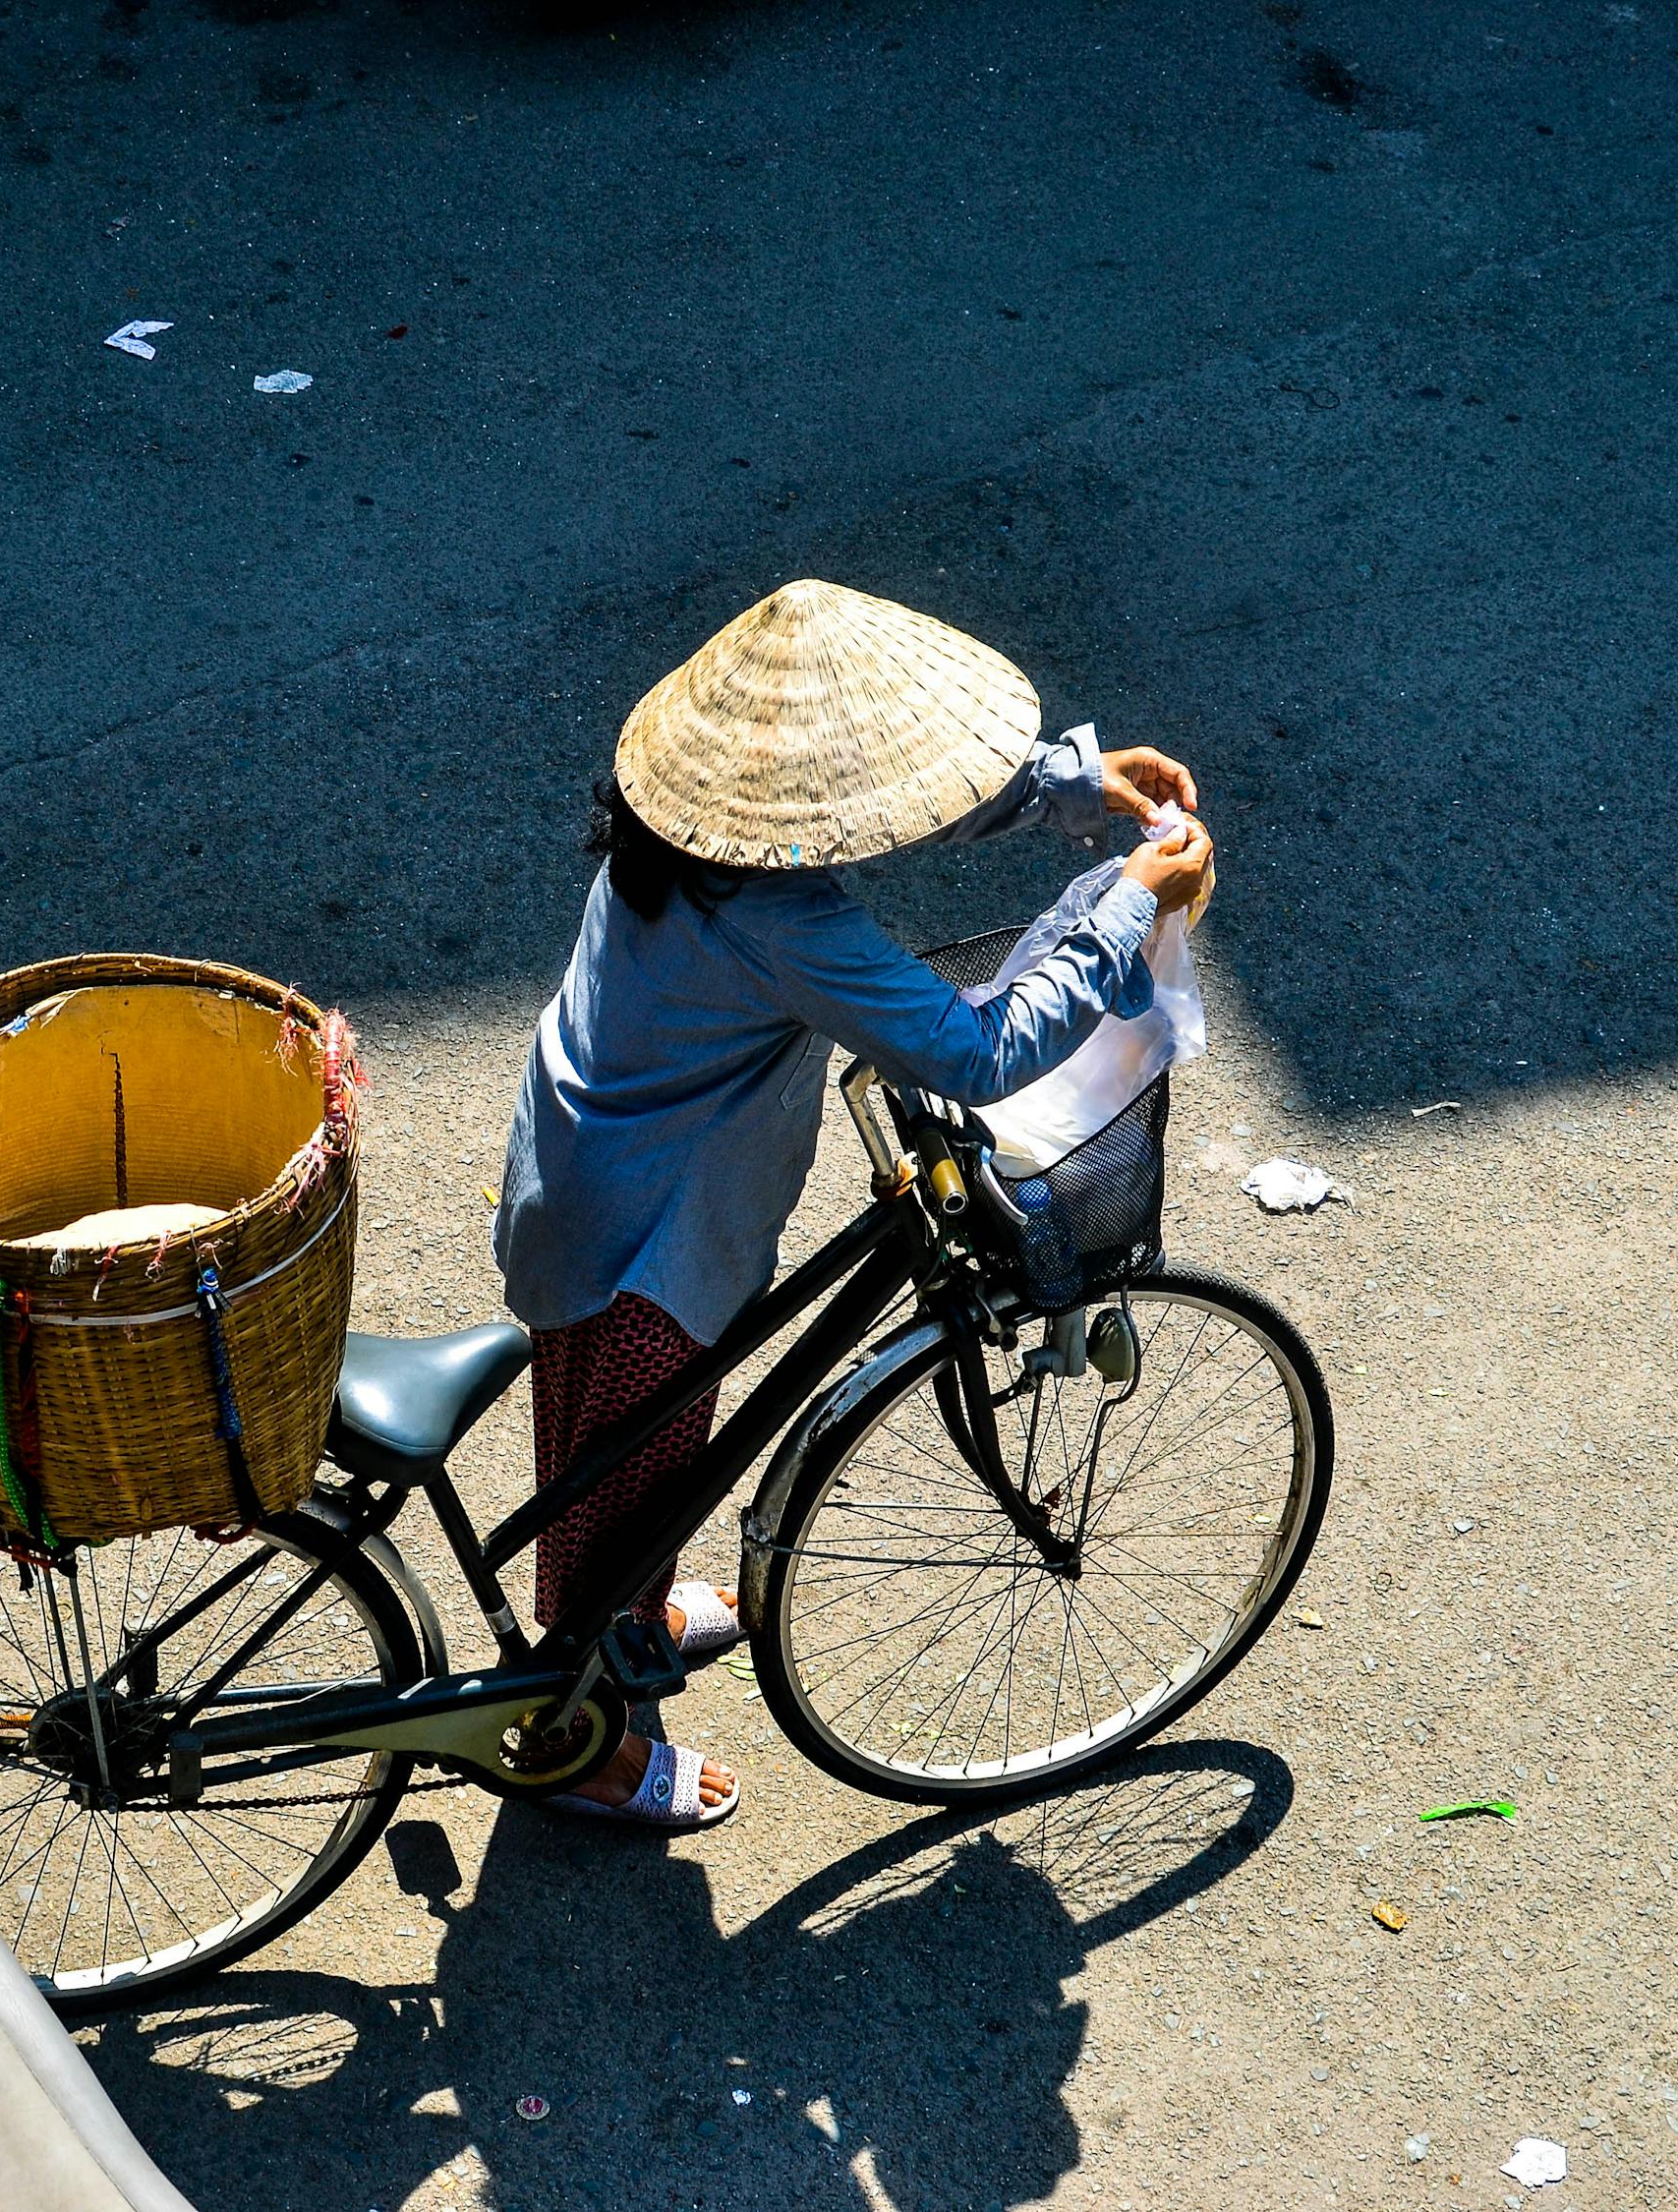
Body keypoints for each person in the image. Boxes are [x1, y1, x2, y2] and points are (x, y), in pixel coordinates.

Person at [492, 579, 1214, 1826]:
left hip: (594, 1168)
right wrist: (1128, 899)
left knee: (618, 1459)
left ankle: (633, 1604)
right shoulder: (776, 913)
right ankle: (584, 1740)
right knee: (635, 1467)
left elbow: (878, 805)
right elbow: (976, 1055)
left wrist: (1067, 785)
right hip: (646, 1237)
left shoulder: (685, 834)